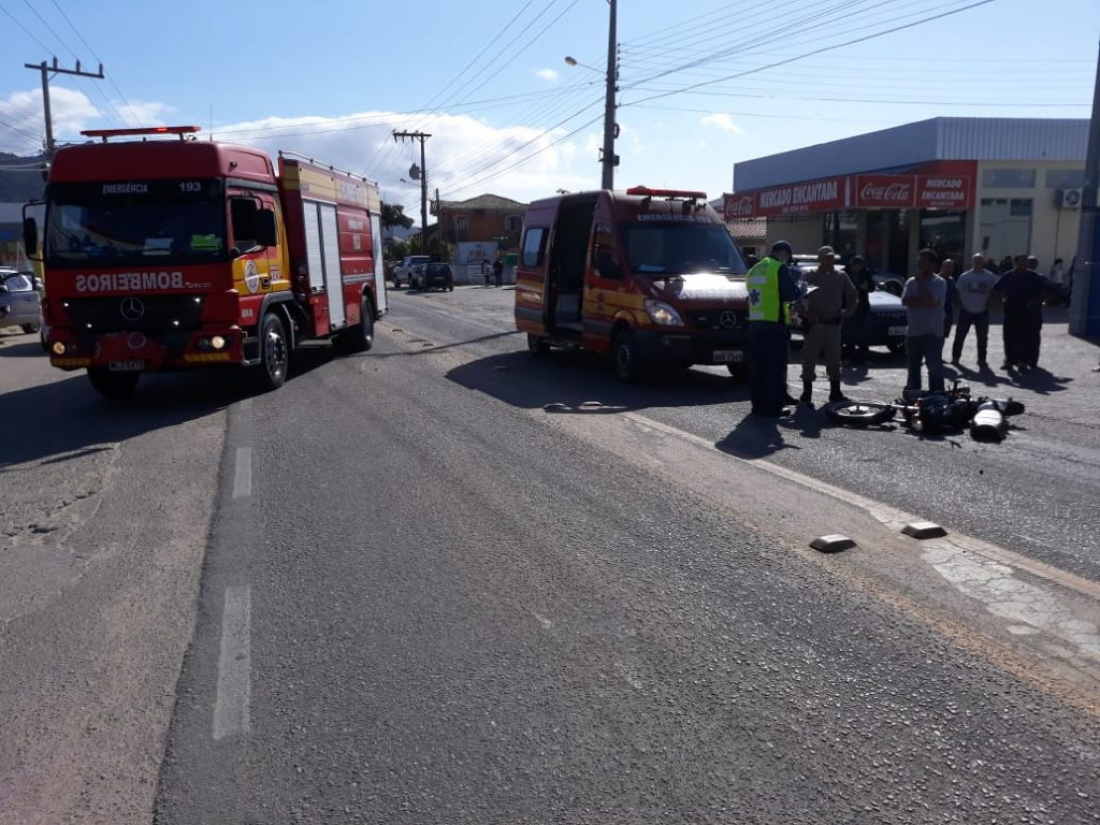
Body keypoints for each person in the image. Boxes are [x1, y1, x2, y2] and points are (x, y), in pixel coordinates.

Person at [746, 240, 802, 417]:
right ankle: (774, 407)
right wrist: (803, 289)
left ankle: (757, 405)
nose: (787, 260)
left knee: (758, 367)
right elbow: (791, 294)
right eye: (787, 257)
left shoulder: (755, 268)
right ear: (784, 253)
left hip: (755, 324)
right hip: (774, 324)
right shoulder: (778, 268)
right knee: (775, 367)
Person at [799, 245, 858, 406]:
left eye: (831, 257)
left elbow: (852, 295)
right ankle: (807, 392)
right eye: (826, 257)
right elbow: (799, 295)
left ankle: (835, 391)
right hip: (815, 325)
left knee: (834, 359)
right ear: (820, 259)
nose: (829, 260)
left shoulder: (841, 276)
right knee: (809, 358)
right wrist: (805, 313)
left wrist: (847, 312)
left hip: (833, 325)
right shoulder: (810, 276)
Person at [901, 248, 948, 393]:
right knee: (913, 366)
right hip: (914, 332)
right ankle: (914, 394)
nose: (919, 264)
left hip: (932, 332)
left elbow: (931, 302)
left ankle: (937, 395)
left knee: (934, 367)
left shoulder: (939, 282)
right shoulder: (910, 282)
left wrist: (921, 282)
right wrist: (920, 300)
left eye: (923, 261)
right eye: (918, 261)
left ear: (932, 264)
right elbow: (905, 301)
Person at [994, 254, 1048, 371]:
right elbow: (997, 289)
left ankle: (1023, 360)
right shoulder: (1009, 275)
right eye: (1022, 262)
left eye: (1026, 262)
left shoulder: (1033, 276)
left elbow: (1044, 290)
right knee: (1009, 336)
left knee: (1025, 337)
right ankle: (1009, 360)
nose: (1025, 264)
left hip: (1026, 312)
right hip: (1011, 311)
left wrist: (1035, 302)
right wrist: (1001, 300)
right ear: (1016, 263)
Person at [951, 254, 998, 367]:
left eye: (980, 261)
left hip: (982, 311)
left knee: (982, 337)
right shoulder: (964, 277)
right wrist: (959, 304)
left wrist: (990, 304)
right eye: (976, 261)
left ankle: (981, 359)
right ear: (972, 262)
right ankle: (955, 358)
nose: (978, 263)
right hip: (966, 310)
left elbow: (995, 292)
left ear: (984, 262)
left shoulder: (989, 277)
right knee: (960, 336)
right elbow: (958, 291)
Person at [842, 255, 875, 365]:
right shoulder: (844, 274)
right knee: (849, 335)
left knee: (864, 334)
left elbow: (872, 287)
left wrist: (866, 287)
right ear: (853, 265)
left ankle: (864, 358)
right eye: (857, 266)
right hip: (849, 307)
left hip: (863, 308)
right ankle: (848, 357)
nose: (858, 269)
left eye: (860, 266)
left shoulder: (865, 273)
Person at [939, 257, 957, 339]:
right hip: (938, 313)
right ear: (942, 267)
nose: (950, 269)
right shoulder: (937, 280)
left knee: (943, 337)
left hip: (949, 313)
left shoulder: (952, 280)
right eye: (947, 266)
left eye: (951, 266)